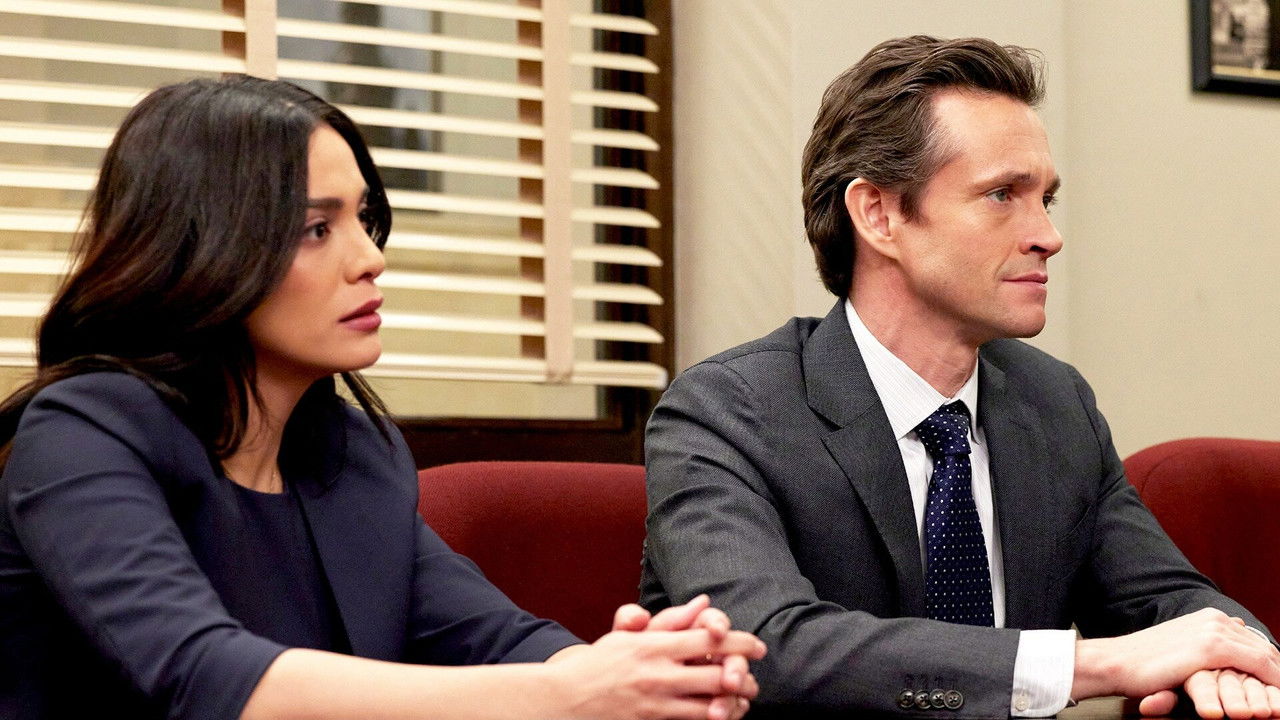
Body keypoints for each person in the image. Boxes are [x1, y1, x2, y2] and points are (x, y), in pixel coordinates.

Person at [0, 75, 765, 720]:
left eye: (363, 219)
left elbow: (495, 641)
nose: (370, 258)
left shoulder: (350, 453)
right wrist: (568, 693)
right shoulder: (84, 432)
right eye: (316, 228)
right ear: (204, 247)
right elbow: (201, 676)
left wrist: (645, 675)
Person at [640, 35, 1280, 719]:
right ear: (879, 215)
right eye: (1003, 194)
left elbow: (1166, 602)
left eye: (1046, 199)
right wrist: (1090, 664)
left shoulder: (1055, 404)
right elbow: (766, 648)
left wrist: (1238, 665)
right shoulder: (727, 412)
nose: (1048, 236)